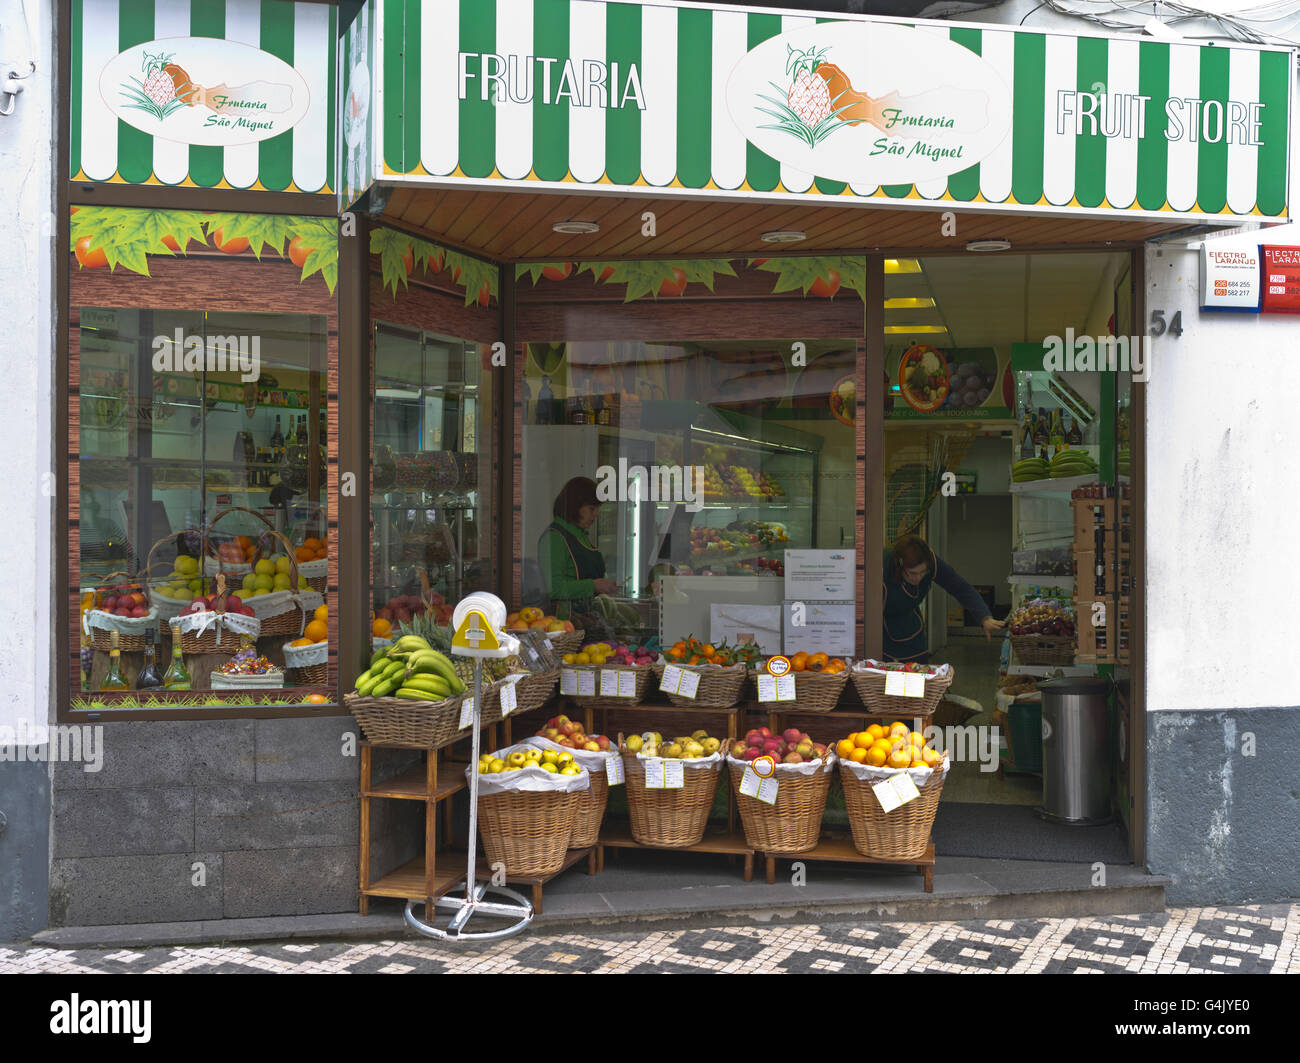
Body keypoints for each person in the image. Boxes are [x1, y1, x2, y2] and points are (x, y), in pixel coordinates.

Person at [882, 534, 1005, 663]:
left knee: (917, 675)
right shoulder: (881, 570)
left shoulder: (929, 560)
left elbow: (960, 587)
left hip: (911, 630)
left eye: (922, 572)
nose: (918, 578)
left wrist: (984, 617)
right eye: (912, 573)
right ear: (900, 565)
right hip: (881, 630)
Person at [539, 477, 619, 621]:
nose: (597, 514)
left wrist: (605, 586)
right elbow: (553, 588)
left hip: (589, 619)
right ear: (575, 506)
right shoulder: (554, 537)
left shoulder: (581, 536)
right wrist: (594, 585)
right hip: (566, 624)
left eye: (598, 509)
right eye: (592, 508)